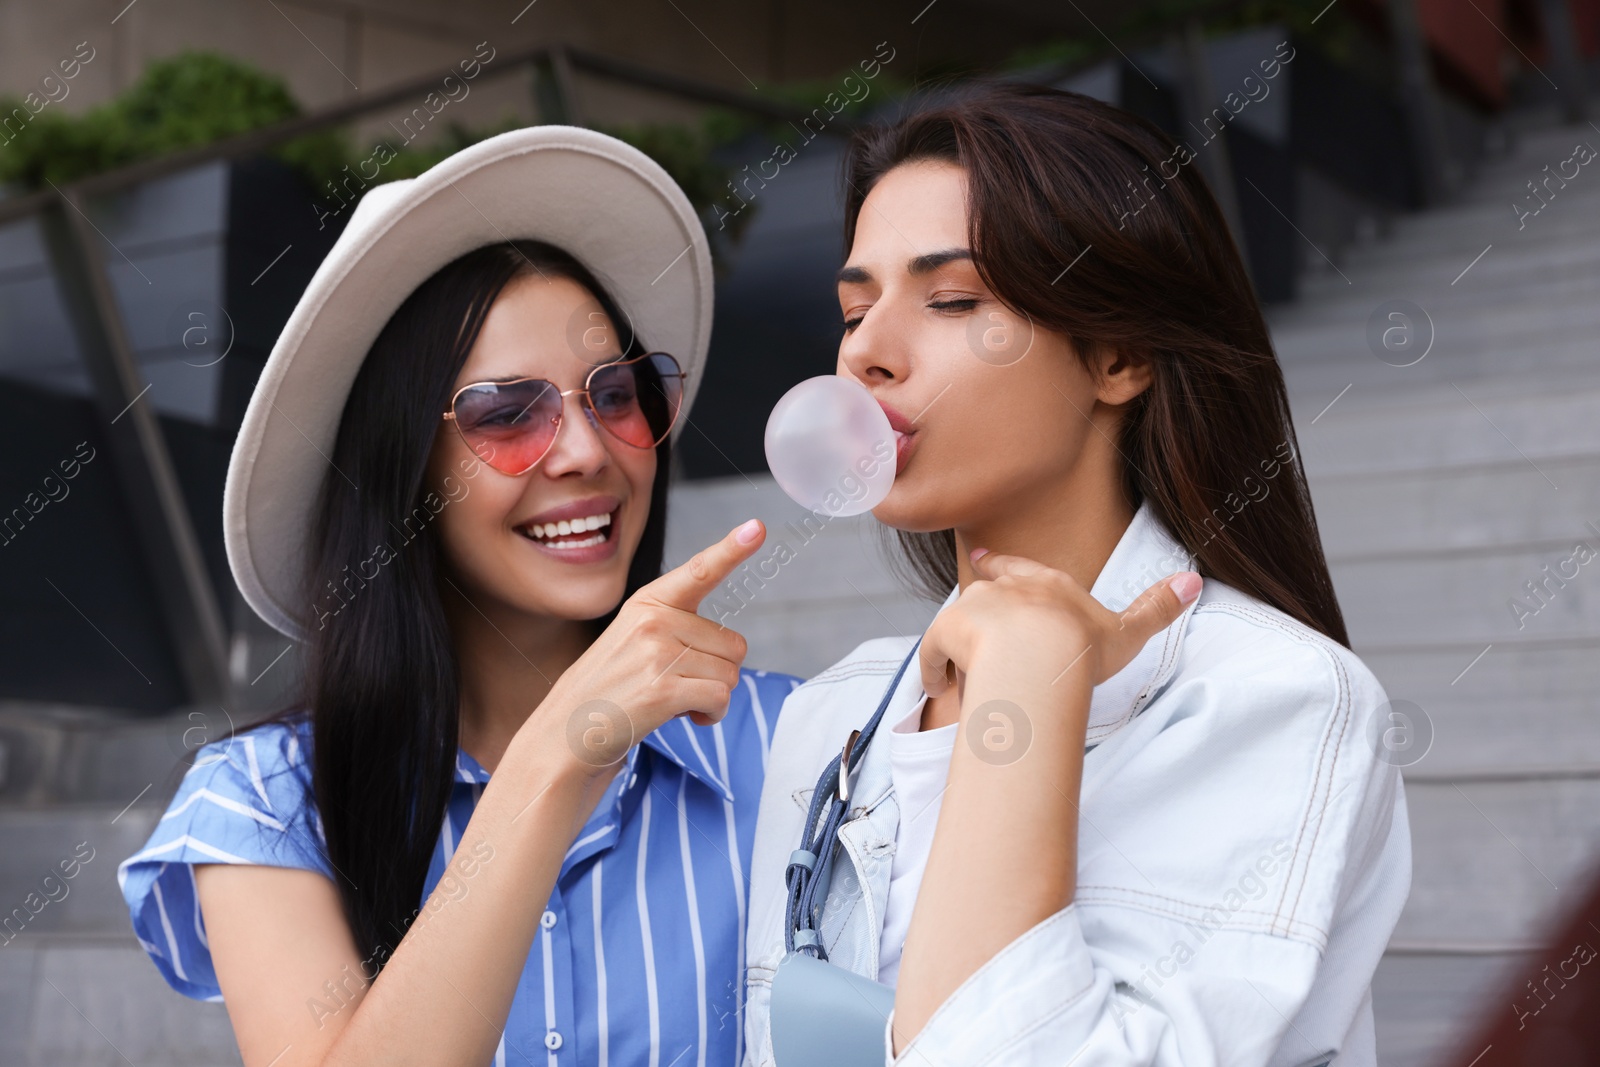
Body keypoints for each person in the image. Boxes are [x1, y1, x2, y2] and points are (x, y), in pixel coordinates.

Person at [743, 83, 1411, 1066]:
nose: (866, 354)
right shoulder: (829, 718)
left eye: (952, 299)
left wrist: (1023, 678)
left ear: (1115, 351)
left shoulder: (1275, 697)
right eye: (853, 307)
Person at [118, 127, 799, 1067]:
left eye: (615, 393)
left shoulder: (805, 746)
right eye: (508, 413)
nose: (587, 452)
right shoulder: (265, 805)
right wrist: (558, 754)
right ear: (400, 471)